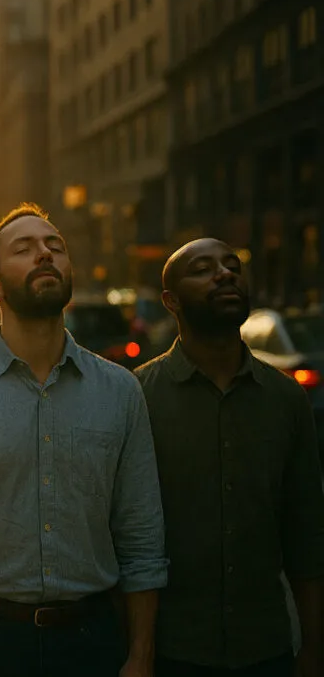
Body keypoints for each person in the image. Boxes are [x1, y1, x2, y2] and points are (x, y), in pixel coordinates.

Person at [0, 203, 168, 677]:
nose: (45, 254)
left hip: (92, 642)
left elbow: (142, 536)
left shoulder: (120, 391)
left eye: (55, 246)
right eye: (24, 249)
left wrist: (141, 654)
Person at [135, 238, 324, 677]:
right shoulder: (138, 396)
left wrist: (314, 648)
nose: (224, 275)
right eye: (203, 269)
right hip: (172, 653)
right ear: (171, 301)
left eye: (232, 267)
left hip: (267, 650)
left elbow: (307, 533)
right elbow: (123, 538)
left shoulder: (285, 398)